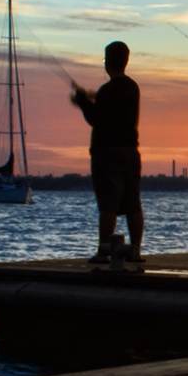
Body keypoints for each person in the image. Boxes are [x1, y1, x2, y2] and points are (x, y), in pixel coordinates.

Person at [70, 40, 143, 264]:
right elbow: (112, 105)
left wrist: (82, 102)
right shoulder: (132, 87)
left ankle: (104, 250)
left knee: (108, 204)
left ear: (107, 62)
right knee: (133, 204)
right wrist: (91, 97)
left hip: (106, 153)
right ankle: (136, 250)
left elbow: (96, 119)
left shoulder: (107, 91)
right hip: (130, 151)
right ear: (126, 61)